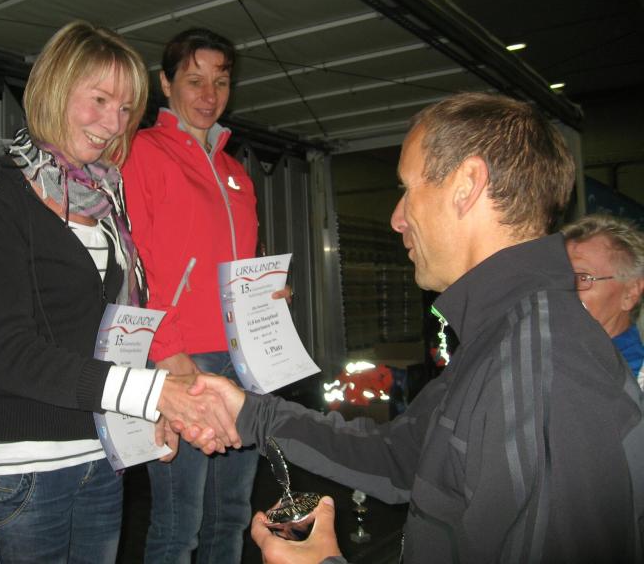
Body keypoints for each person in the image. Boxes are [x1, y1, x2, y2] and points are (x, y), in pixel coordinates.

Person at [180, 92, 644, 563]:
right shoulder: (502, 338)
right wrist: (250, 414)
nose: (397, 218)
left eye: (408, 188)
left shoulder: (541, 370)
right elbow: (401, 457)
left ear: (467, 185)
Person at [0, 21, 239, 564]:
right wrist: (154, 393)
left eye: (125, 109)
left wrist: (150, 413)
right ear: (55, 88)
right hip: (17, 468)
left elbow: (108, 339)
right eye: (99, 100)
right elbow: (9, 354)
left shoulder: (105, 200)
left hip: (100, 456)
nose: (113, 124)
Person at [123, 27, 271, 564]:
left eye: (221, 82)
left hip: (242, 360)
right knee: (178, 524)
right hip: (183, 357)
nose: (209, 95)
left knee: (231, 514)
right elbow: (133, 262)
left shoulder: (235, 171)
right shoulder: (142, 151)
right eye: (194, 81)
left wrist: (268, 298)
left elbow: (239, 262)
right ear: (165, 84)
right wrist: (167, 353)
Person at [562, 213, 644, 384]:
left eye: (582, 278)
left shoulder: (634, 383)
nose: (562, 289)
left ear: (630, 293)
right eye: (561, 276)